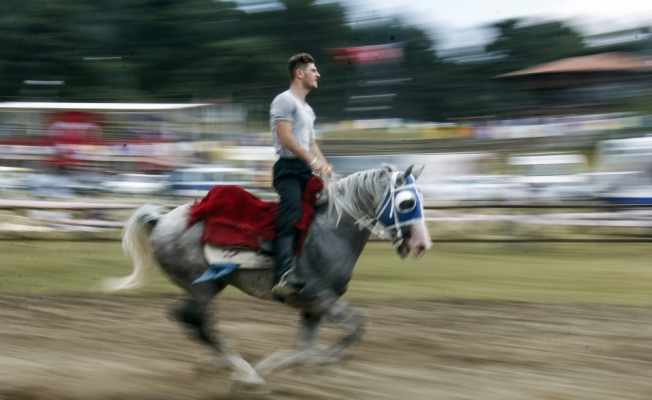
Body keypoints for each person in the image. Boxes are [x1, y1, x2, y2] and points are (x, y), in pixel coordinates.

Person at [269, 53, 333, 298]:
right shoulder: (284, 101)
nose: (318, 74)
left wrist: (324, 166)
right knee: (292, 213)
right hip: (288, 170)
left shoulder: (308, 109)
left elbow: (311, 142)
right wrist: (312, 161)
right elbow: (286, 138)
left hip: (305, 170)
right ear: (299, 73)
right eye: (313, 70)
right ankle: (283, 274)